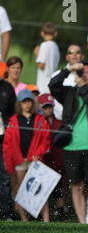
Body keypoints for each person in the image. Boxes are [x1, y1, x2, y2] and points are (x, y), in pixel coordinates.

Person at [48, 61, 88, 224]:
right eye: (82, 72)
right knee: (77, 185)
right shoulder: (68, 93)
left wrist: (83, 87)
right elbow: (53, 85)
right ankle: (83, 222)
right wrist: (68, 70)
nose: (85, 75)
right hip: (71, 146)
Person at [3, 89, 50, 222]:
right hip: (19, 160)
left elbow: (45, 140)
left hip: (35, 159)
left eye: (29, 101)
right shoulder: (13, 121)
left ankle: (46, 220)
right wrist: (10, 163)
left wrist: (38, 154)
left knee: (40, 191)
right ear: (19, 104)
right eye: (24, 102)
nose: (27, 105)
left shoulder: (39, 119)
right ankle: (25, 221)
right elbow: (8, 144)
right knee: (22, 192)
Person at [39, 93, 68, 220]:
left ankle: (60, 211)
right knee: (42, 191)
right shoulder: (38, 122)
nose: (48, 110)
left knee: (58, 190)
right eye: (45, 107)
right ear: (40, 107)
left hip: (57, 162)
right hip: (43, 162)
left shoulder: (58, 123)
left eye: (50, 107)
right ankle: (43, 215)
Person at [51, 45, 85, 121]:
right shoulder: (57, 75)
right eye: (71, 53)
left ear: (82, 56)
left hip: (81, 121)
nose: (74, 55)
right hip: (60, 121)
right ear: (67, 57)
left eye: (78, 52)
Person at [0, 70, 16, 220]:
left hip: (3, 140)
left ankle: (5, 213)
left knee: (5, 178)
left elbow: (13, 113)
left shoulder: (7, 88)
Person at [34, 22, 60, 94]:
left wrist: (37, 54)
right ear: (55, 34)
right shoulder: (56, 46)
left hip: (43, 84)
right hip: (52, 83)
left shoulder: (44, 45)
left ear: (42, 33)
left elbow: (41, 65)